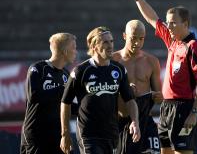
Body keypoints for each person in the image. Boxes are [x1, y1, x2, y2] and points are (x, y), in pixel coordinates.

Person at [127, 0, 197, 154]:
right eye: (168, 22)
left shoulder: (194, 48)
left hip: (184, 108)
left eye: (173, 23)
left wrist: (194, 112)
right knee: (165, 151)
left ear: (185, 24)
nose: (168, 26)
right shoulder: (172, 40)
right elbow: (151, 18)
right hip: (166, 108)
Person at [60, 26, 141, 154]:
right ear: (94, 46)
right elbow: (65, 102)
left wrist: (135, 122)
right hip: (88, 134)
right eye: (105, 42)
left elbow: (130, 100)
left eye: (111, 41)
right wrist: (65, 134)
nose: (110, 46)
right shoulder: (80, 71)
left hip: (112, 134)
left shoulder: (119, 70)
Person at [20, 32, 78, 154]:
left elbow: (65, 105)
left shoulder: (66, 74)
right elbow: (34, 96)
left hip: (59, 134)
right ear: (65, 51)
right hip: (37, 136)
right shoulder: (37, 69)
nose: (76, 51)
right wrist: (63, 89)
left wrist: (87, 108)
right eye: (74, 48)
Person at [112, 19, 162, 154]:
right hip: (122, 121)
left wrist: (157, 96)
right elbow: (104, 94)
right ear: (124, 36)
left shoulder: (151, 61)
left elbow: (159, 97)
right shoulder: (113, 61)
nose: (137, 43)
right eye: (133, 38)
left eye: (141, 39)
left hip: (145, 120)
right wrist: (125, 92)